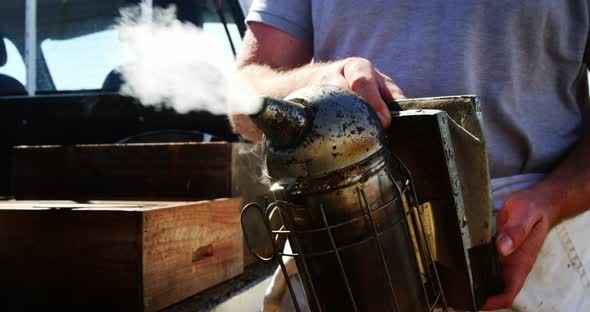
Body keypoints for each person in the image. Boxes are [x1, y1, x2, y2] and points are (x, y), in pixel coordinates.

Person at [230, 1, 590, 311]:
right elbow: (243, 95)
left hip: (520, 245)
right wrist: (319, 82)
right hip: (336, 242)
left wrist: (553, 201)